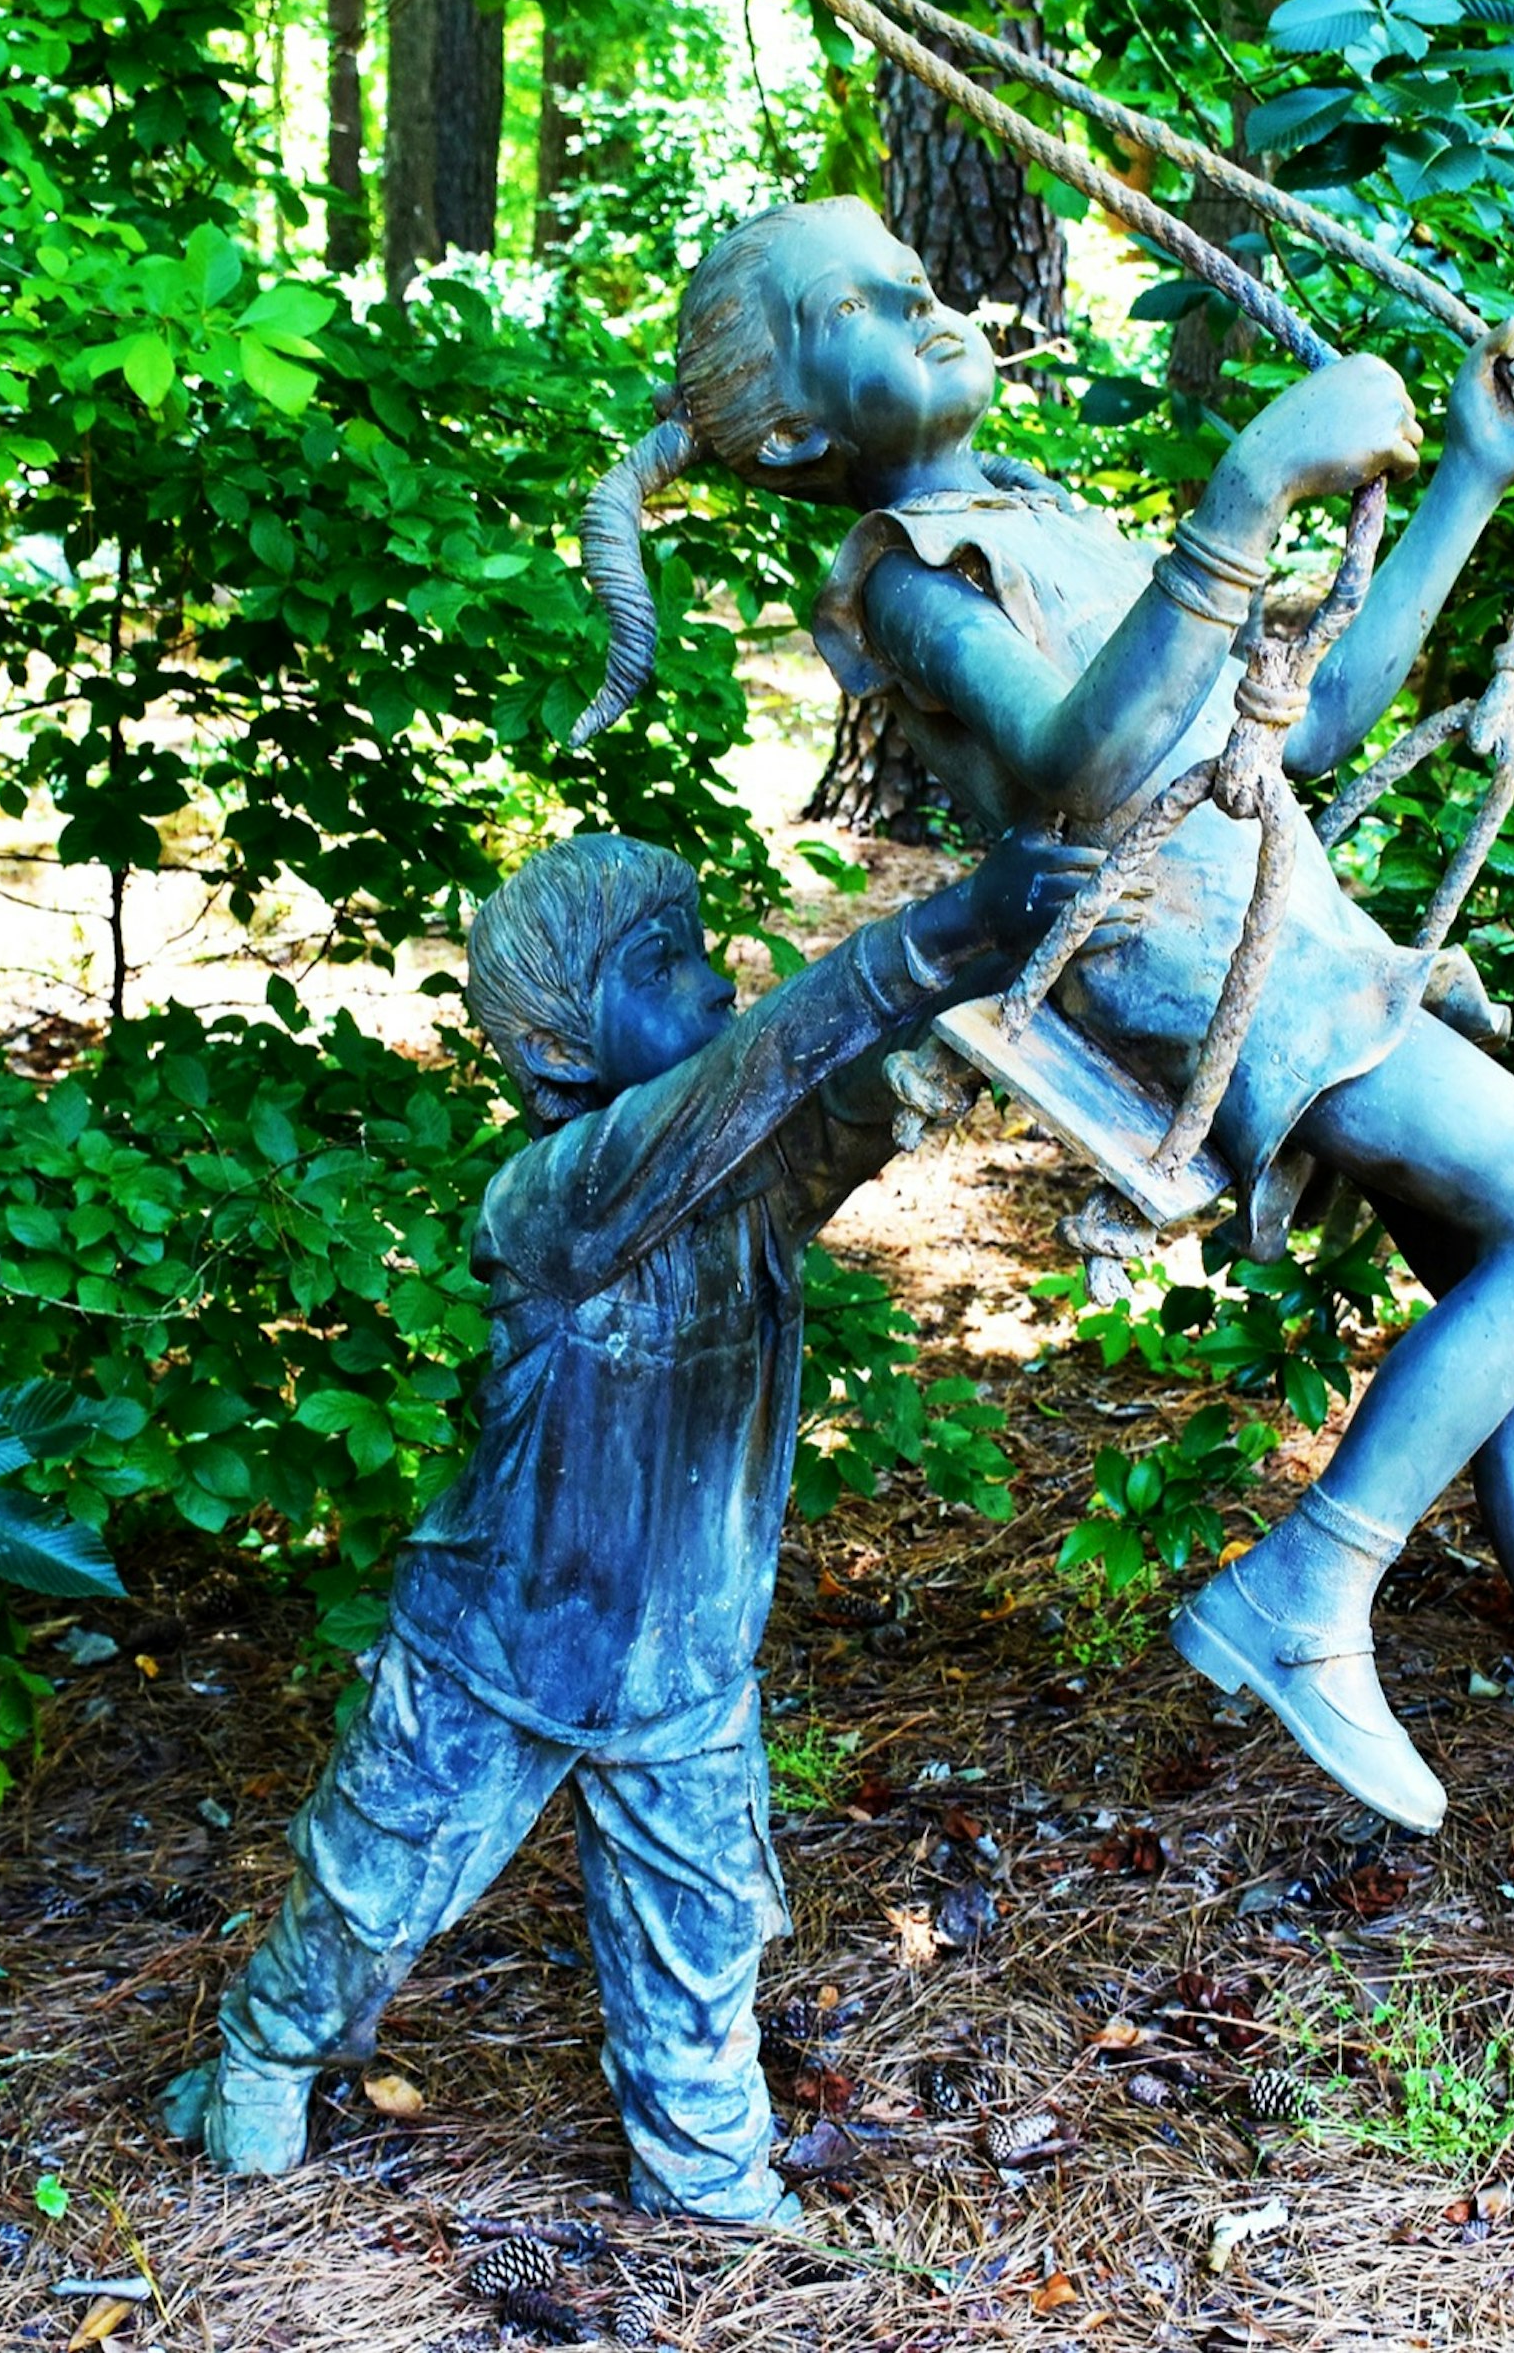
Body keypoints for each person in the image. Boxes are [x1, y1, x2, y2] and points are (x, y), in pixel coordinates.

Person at [567, 197, 1514, 1858]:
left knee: (1511, 1286)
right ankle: (1308, 1588)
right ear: (799, 425)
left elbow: (1304, 727)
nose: (934, 304)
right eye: (871, 307)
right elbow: (1078, 777)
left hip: (1289, 933)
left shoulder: (1036, 516)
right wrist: (1246, 490)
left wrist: (1467, 475)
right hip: (1190, 964)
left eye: (926, 278)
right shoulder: (905, 584)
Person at [171, 819, 1101, 2216]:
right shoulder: (556, 1195)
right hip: (499, 1652)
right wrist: (943, 924)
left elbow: (831, 1100)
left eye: (708, 954)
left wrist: (983, 993)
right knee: (371, 1888)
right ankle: (266, 2049)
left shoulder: (743, 1185)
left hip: (681, 1668)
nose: (719, 983)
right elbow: (762, 1064)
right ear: (559, 1054)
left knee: (703, 1934)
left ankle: (708, 2170)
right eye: (667, 967)